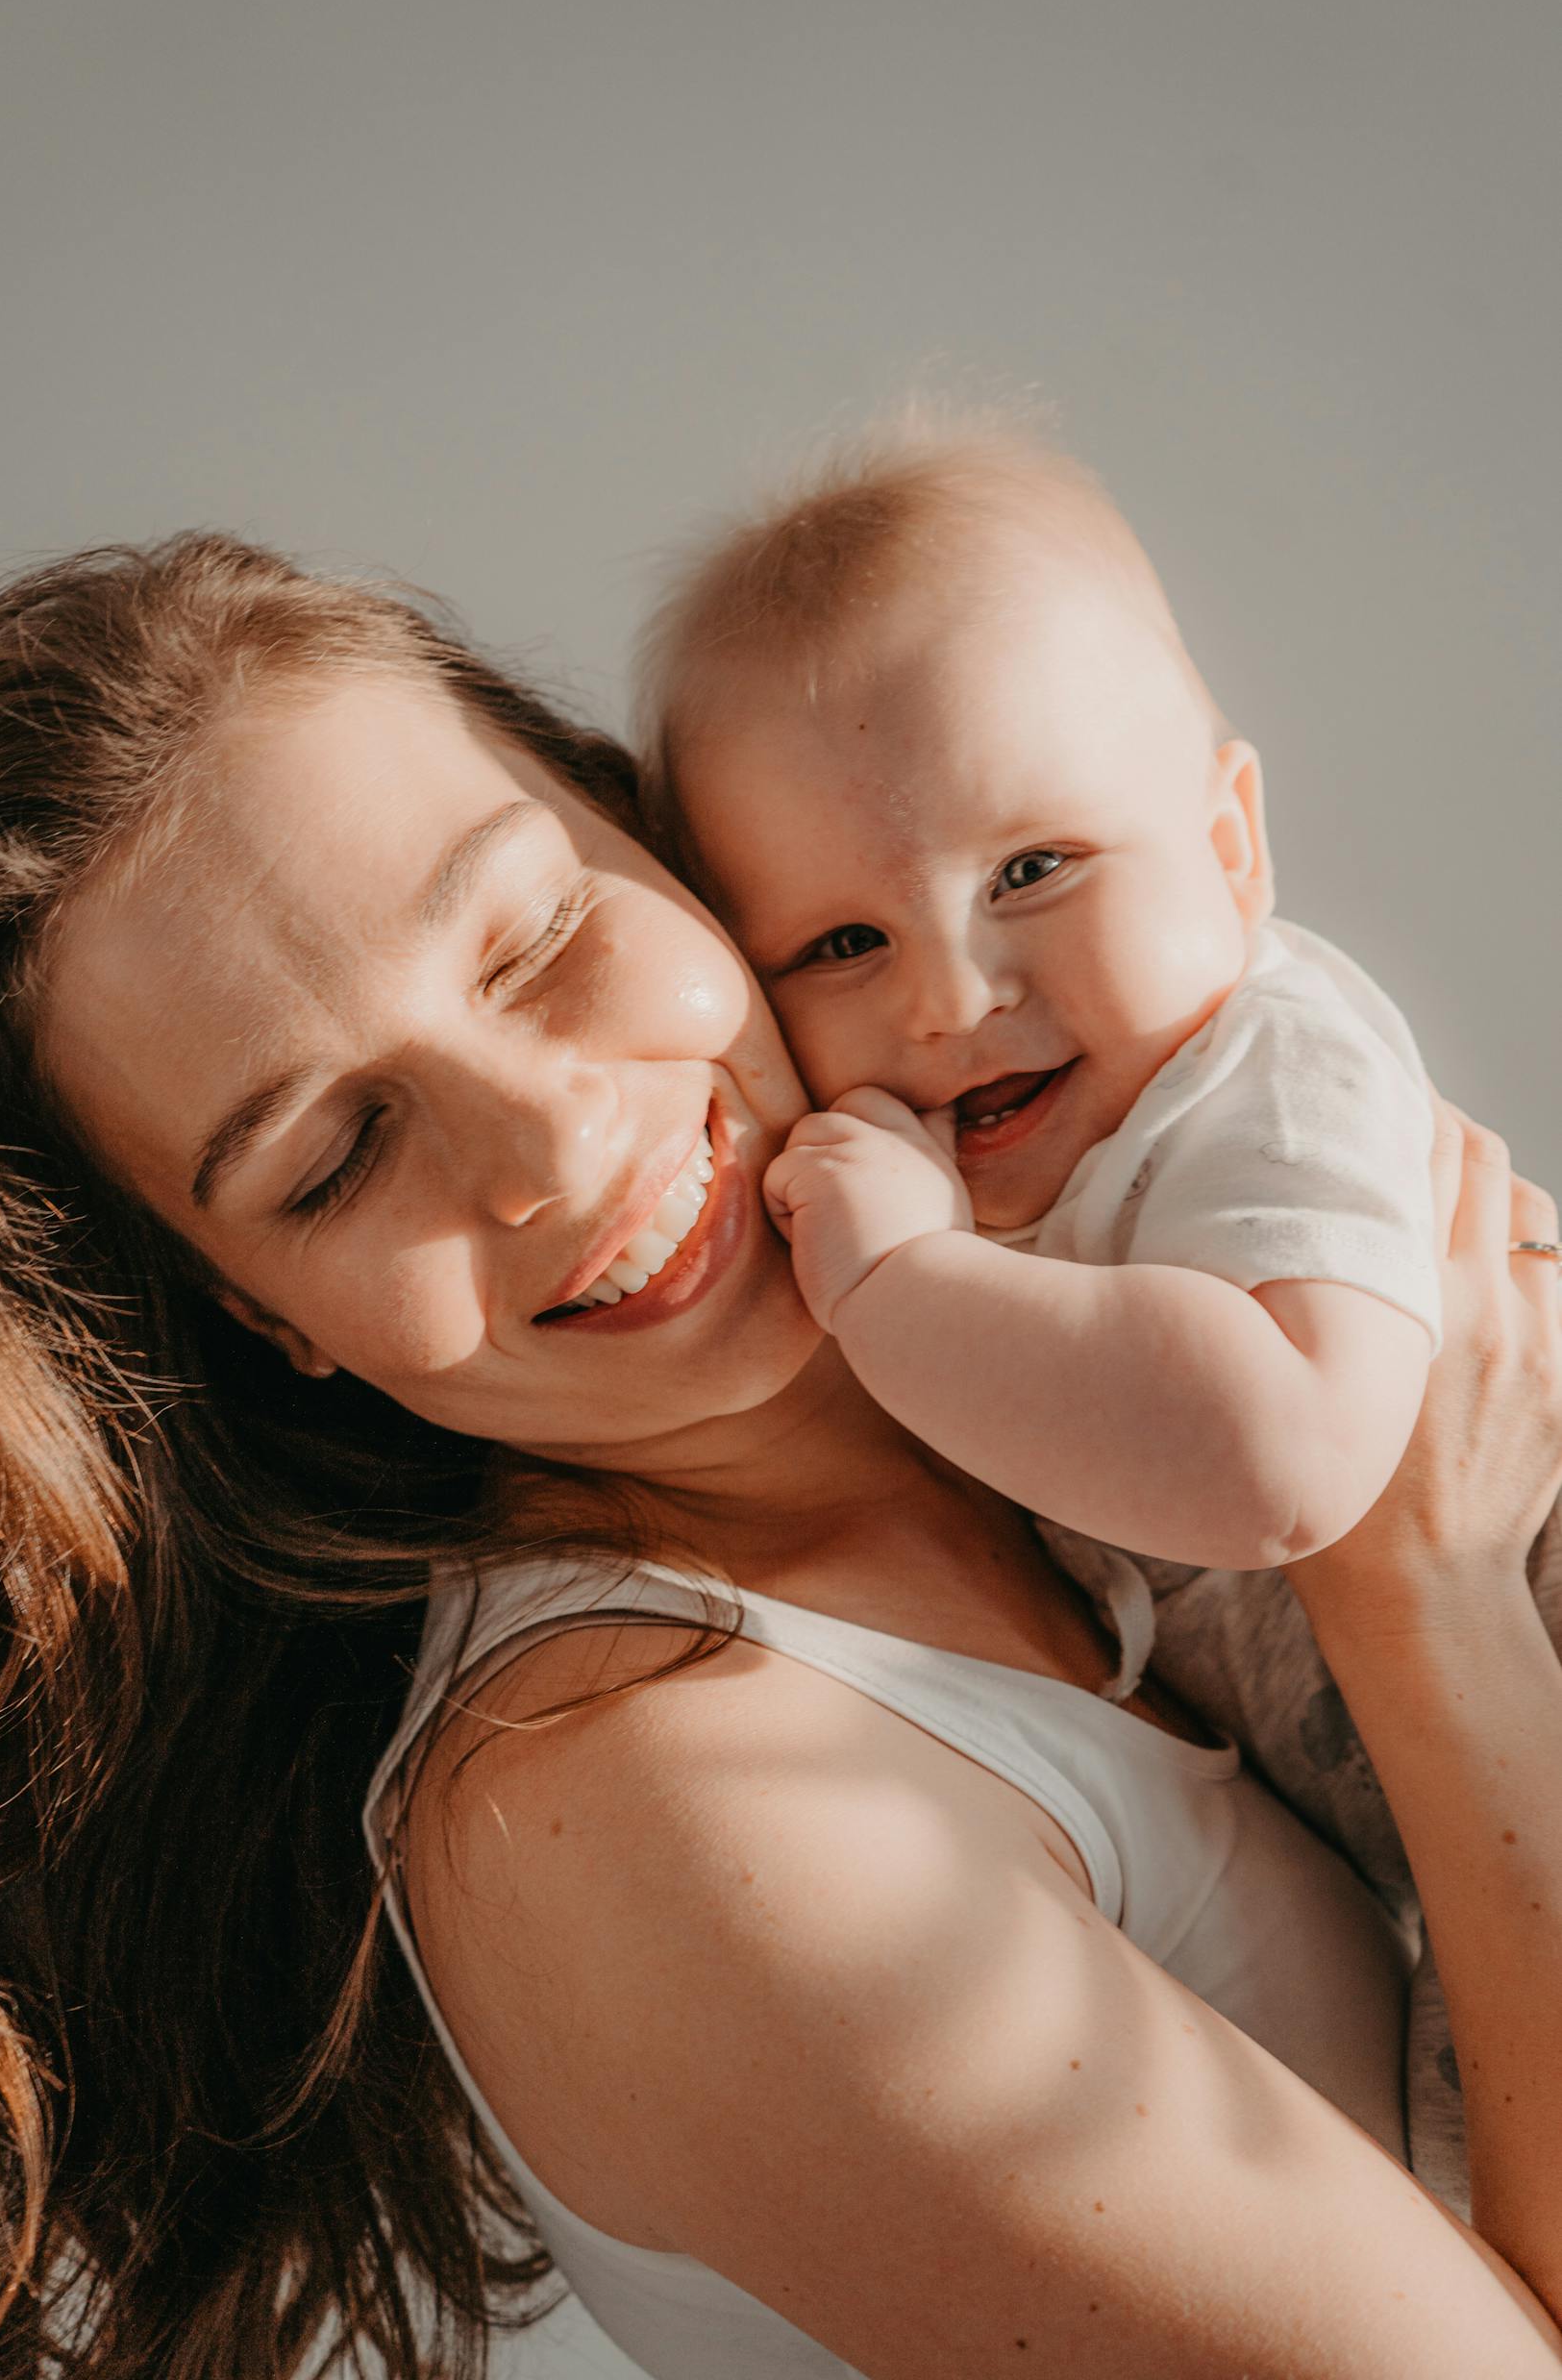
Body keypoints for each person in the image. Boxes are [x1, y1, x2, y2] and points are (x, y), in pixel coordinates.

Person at [0, 532, 1560, 2380]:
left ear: (664, 849)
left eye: (538, 936)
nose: (545, 1137)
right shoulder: (660, 1803)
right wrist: (1432, 1594)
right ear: (267, 1317)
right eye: (333, 1158)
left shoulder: (1069, 1323)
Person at [632, 411, 1562, 2205]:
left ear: (1232, 841)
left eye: (1031, 870)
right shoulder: (1045, 1169)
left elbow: (1279, 1458)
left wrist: (908, 1278)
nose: (954, 995)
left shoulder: (1265, 1072)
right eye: (839, 946)